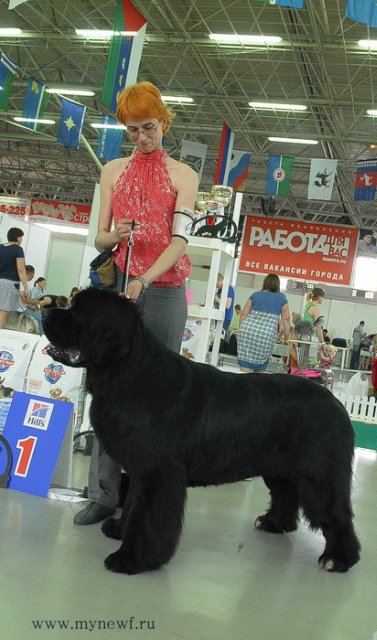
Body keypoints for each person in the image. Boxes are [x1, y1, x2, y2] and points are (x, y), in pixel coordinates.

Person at [73, 80, 198, 526]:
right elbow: (99, 236)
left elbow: (180, 242)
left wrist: (144, 278)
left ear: (164, 121)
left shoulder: (185, 176)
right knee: (106, 391)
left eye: (148, 127)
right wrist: (117, 235)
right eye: (132, 130)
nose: (142, 137)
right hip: (116, 292)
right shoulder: (111, 170)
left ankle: (148, 497)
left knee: (158, 398)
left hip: (163, 292)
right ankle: (103, 494)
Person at [237, 273, 290, 373]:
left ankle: (244, 386)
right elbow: (286, 320)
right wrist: (287, 337)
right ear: (277, 285)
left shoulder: (255, 295)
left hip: (247, 331)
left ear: (265, 283)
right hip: (266, 335)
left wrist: (242, 328)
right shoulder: (282, 298)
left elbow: (243, 314)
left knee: (245, 365)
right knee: (260, 367)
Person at [0, 227, 29, 329]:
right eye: (21, 237)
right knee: (3, 312)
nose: (21, 239)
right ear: (17, 237)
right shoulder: (18, 249)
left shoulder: (0, 247)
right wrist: (26, 287)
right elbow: (21, 270)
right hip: (9, 283)